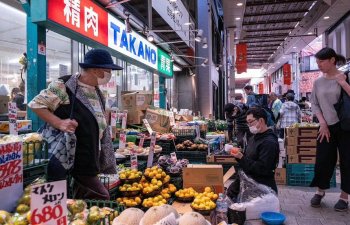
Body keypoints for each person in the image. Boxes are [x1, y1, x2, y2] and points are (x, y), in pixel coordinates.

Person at [28, 49, 123, 200]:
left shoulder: (97, 91)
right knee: (101, 196)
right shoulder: (64, 85)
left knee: (79, 201)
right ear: (96, 70)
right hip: (72, 157)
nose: (110, 74)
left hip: (91, 155)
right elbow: (35, 104)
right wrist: (59, 123)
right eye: (108, 70)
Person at [309, 47, 350, 211]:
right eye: (317, 61)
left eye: (321, 61)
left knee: (347, 160)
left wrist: (342, 82)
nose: (319, 64)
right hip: (326, 126)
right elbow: (314, 103)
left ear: (332, 60)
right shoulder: (318, 82)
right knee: (323, 159)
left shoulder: (345, 76)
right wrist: (323, 123)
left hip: (346, 126)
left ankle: (344, 196)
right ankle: (320, 191)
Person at [230, 107, 280, 193]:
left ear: (261, 120)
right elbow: (250, 158)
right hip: (249, 182)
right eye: (247, 122)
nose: (248, 125)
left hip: (262, 188)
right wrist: (240, 155)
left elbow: (263, 169)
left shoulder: (269, 143)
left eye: (250, 122)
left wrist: (242, 158)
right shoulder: (254, 137)